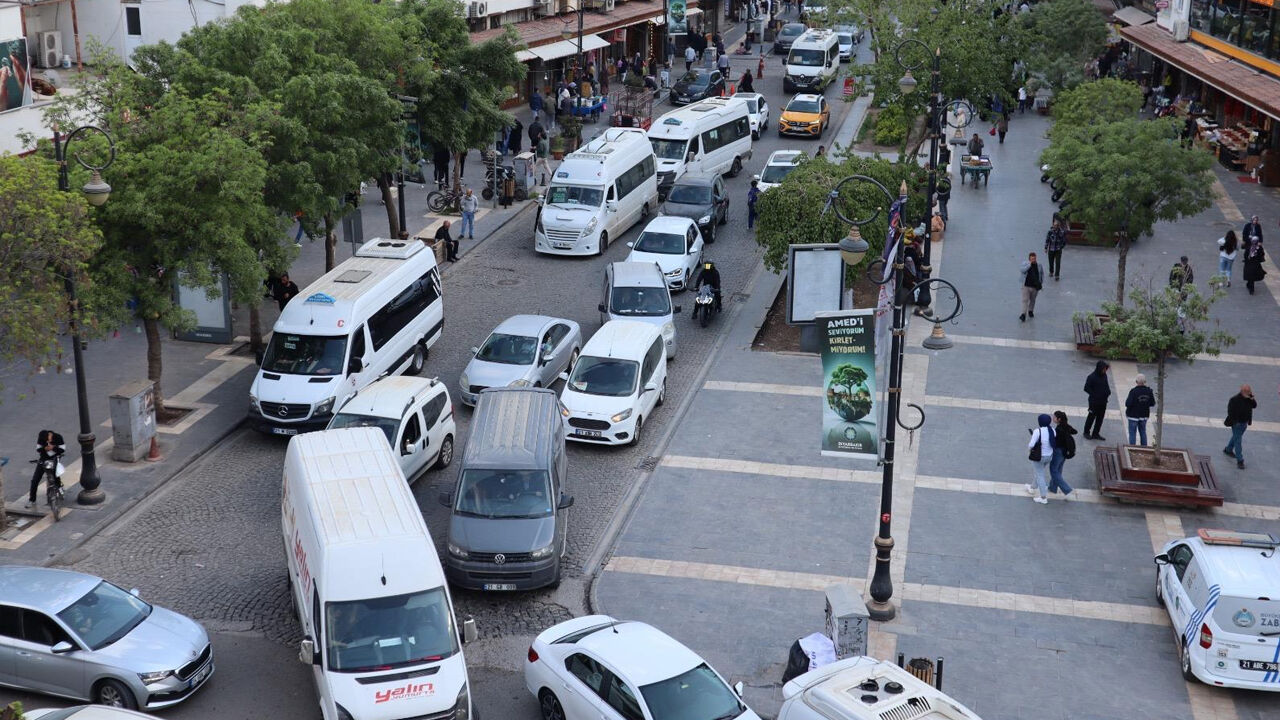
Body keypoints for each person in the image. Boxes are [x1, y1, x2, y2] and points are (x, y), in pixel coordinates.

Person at [27, 429, 66, 509]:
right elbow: (38, 449)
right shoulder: (42, 438)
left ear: (49, 435)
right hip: (43, 459)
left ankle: (59, 488)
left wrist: (53, 448)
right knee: (35, 480)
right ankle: (32, 500)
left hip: (54, 459)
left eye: (48, 439)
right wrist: (45, 449)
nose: (48, 440)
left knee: (55, 476)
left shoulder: (58, 437)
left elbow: (62, 449)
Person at [1224, 384, 1256, 469]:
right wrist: (1235, 422)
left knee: (1236, 437)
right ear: (1242, 391)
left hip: (1244, 423)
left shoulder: (1249, 398)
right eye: (1248, 392)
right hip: (1237, 424)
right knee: (1238, 441)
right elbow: (1230, 412)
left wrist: (1252, 399)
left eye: (1250, 392)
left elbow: (1254, 406)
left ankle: (1228, 449)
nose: (1249, 393)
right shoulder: (1234, 400)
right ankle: (1240, 460)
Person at [1025, 414, 1054, 505]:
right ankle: (1032, 487)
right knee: (1039, 472)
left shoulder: (1038, 431)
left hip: (1039, 457)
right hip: (1049, 456)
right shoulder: (1052, 430)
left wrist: (1029, 451)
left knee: (1040, 475)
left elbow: (1031, 445)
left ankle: (1043, 497)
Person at [1048, 411, 1077, 499]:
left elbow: (1055, 442)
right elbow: (1075, 432)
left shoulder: (1058, 430)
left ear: (1059, 419)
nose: (1053, 418)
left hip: (1058, 452)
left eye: (1054, 417)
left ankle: (1067, 489)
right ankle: (1053, 488)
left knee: (1053, 470)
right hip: (1065, 451)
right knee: (1058, 469)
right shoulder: (1066, 426)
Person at [1124, 374, 1156, 446]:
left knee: (1132, 433)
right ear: (1145, 381)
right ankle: (1144, 447)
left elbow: (1128, 403)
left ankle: (1132, 448)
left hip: (1133, 416)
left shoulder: (1133, 391)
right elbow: (1152, 403)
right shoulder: (1149, 391)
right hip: (1144, 416)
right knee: (1143, 432)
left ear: (1136, 381)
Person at [1083, 361, 1111, 440]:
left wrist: (1108, 392)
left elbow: (1106, 385)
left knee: (1100, 418)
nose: (1105, 371)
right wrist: (1095, 394)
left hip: (1103, 401)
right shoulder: (1091, 377)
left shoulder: (1104, 376)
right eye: (1104, 369)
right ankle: (1086, 432)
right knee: (1091, 417)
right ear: (1099, 368)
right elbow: (1086, 388)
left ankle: (1096, 433)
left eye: (1106, 369)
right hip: (1094, 402)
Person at [1018, 252, 1043, 322]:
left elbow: (1042, 274)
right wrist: (1029, 265)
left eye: (1034, 258)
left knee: (1032, 300)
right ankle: (1023, 314)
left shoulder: (1039, 265)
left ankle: (1030, 311)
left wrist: (1041, 283)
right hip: (1026, 286)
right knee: (1025, 300)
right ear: (1029, 259)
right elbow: (1022, 270)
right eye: (1032, 259)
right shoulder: (1025, 264)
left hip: (1035, 287)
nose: (1033, 260)